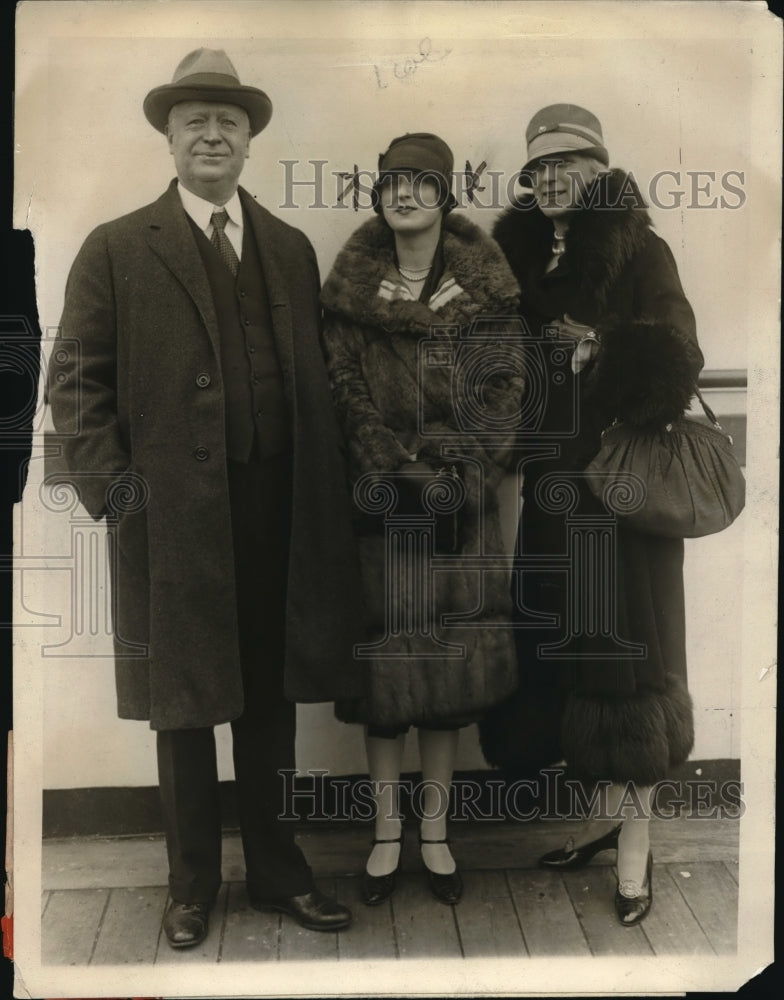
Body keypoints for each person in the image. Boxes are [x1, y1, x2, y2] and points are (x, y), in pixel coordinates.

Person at [46, 48, 364, 948]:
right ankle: (189, 888)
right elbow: (73, 383)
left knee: (270, 701)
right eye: (196, 122)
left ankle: (279, 875)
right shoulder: (117, 247)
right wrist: (120, 496)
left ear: (250, 140)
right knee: (182, 705)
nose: (213, 135)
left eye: (229, 122)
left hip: (277, 511)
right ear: (171, 139)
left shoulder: (289, 249)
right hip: (172, 519)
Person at [480, 104, 703, 925]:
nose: (549, 180)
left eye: (566, 165)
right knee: (574, 663)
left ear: (600, 169)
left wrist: (603, 348)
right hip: (552, 493)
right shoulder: (519, 259)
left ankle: (636, 856)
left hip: (619, 501)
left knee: (627, 673)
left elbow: (680, 357)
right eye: (538, 168)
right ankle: (604, 823)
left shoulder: (640, 249)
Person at [320, 133, 524, 907]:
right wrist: (389, 466)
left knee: (449, 680)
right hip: (378, 507)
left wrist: (456, 474)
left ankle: (435, 836)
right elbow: (342, 386)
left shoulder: (486, 292)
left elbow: (504, 393)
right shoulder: (351, 291)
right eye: (392, 183)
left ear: (444, 196)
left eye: (421, 183)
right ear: (378, 197)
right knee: (384, 683)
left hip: (460, 510)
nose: (404, 195)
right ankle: (384, 835)